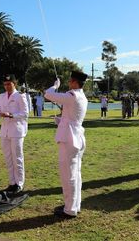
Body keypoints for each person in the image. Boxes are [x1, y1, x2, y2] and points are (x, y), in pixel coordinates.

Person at [44, 71, 88, 218]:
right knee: (76, 174)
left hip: (69, 139)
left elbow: (48, 94)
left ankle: (69, 209)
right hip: (76, 136)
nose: (68, 83)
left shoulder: (72, 95)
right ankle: (75, 205)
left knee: (68, 175)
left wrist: (55, 86)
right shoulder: (82, 96)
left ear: (75, 83)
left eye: (70, 81)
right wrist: (61, 121)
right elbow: (72, 118)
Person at [0, 75, 28, 194]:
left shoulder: (20, 96)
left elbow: (25, 113)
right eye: (5, 84)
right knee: (8, 158)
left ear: (14, 84)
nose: (7, 86)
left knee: (17, 157)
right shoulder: (1, 96)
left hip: (17, 131)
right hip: (4, 131)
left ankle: (19, 183)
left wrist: (12, 115)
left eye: (9, 84)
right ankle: (11, 182)